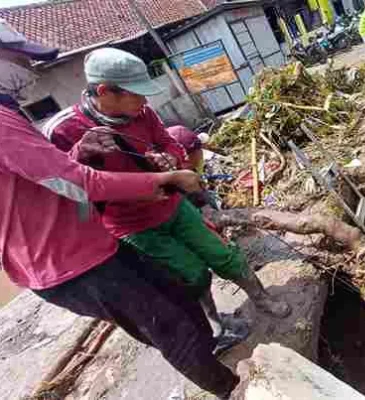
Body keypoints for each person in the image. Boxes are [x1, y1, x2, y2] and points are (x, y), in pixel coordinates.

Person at [0, 23, 238, 399]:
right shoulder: (20, 123)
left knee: (179, 296)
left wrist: (161, 162)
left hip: (96, 240)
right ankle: (233, 390)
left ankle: (211, 354)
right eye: (18, 59)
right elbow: (77, 182)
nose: (29, 70)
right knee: (170, 325)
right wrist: (162, 181)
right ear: (104, 91)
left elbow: (48, 177)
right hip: (69, 259)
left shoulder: (11, 113)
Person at [42, 48, 291, 332]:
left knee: (224, 254)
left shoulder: (142, 112)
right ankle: (213, 321)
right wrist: (80, 155)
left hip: (172, 206)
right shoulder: (63, 131)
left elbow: (168, 141)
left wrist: (170, 157)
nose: (145, 100)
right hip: (132, 226)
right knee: (191, 274)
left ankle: (262, 298)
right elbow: (62, 190)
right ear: (105, 92)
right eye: (136, 93)